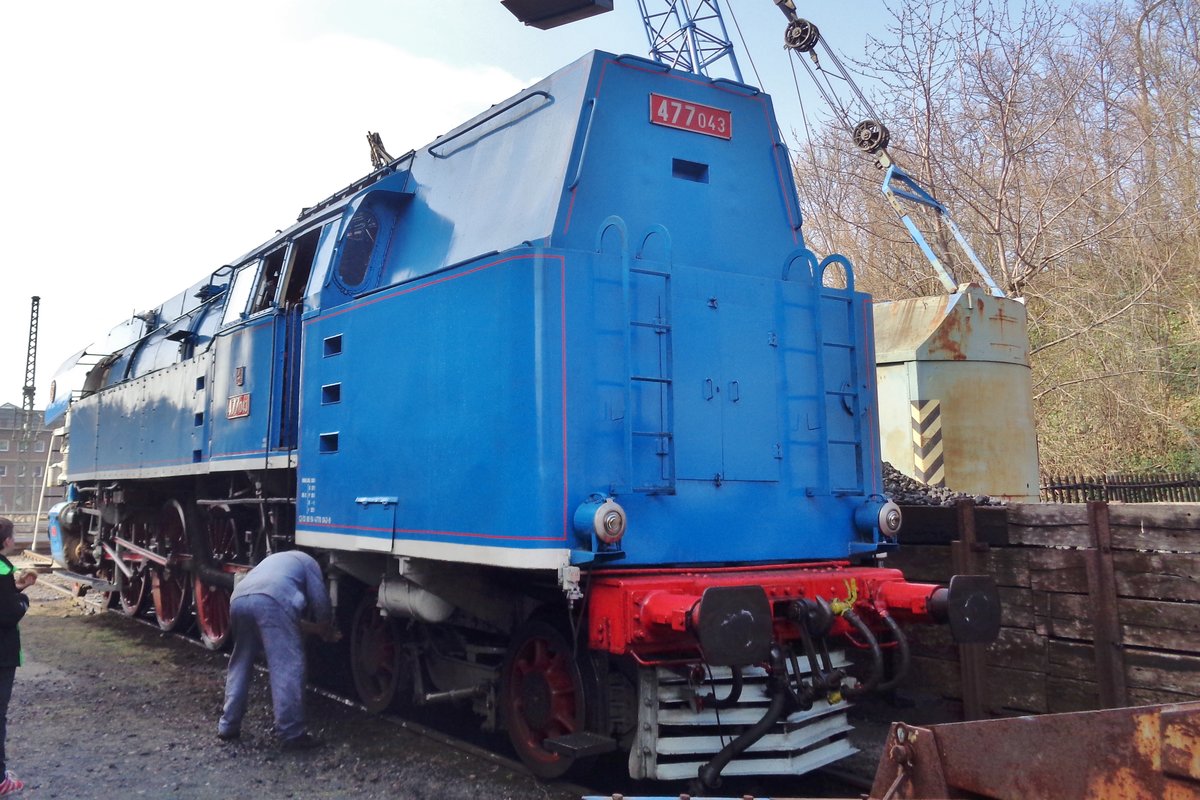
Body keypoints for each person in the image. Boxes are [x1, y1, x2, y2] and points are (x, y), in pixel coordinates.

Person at [217, 550, 339, 749]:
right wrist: (326, 626)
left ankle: (228, 725)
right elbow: (320, 600)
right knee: (287, 665)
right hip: (272, 599)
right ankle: (291, 733)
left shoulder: (275, 560)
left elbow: (287, 618)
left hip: (239, 598)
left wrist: (316, 629)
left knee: (240, 663)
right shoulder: (310, 563)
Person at [0, 517, 36, 795]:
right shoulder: (1, 569)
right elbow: (8, 613)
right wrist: (23, 600)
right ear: (6, 541)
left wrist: (16, 589)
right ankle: (1, 779)